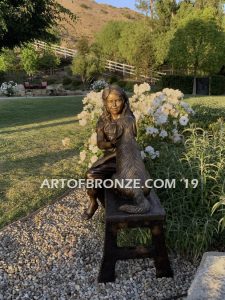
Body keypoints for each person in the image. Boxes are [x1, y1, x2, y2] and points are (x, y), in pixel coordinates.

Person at [83, 85, 135, 220]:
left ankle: (109, 208)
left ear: (124, 101)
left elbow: (128, 145)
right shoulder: (103, 121)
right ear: (105, 103)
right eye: (110, 101)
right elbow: (100, 144)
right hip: (111, 157)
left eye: (118, 100)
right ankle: (95, 202)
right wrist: (111, 144)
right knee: (92, 176)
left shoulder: (129, 119)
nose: (114, 104)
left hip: (127, 157)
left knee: (93, 174)